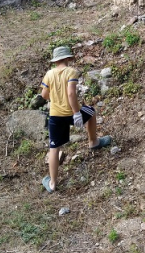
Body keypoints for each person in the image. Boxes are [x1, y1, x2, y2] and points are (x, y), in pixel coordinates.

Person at [40, 46, 112, 193]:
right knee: (91, 112)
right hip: (71, 113)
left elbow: (44, 96)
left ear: (55, 60)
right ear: (67, 58)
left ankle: (53, 184)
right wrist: (76, 113)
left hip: (55, 116)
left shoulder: (49, 74)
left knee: (54, 148)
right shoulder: (71, 72)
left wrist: (55, 99)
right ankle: (93, 141)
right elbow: (71, 94)